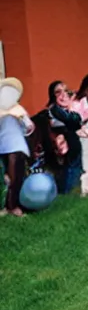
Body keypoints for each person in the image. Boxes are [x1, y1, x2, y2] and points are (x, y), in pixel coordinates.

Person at [0, 77, 34, 217]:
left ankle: (13, 206)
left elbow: (29, 128)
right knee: (5, 178)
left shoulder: (19, 110)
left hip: (16, 147)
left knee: (15, 177)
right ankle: (6, 204)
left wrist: (22, 120)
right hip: (2, 147)